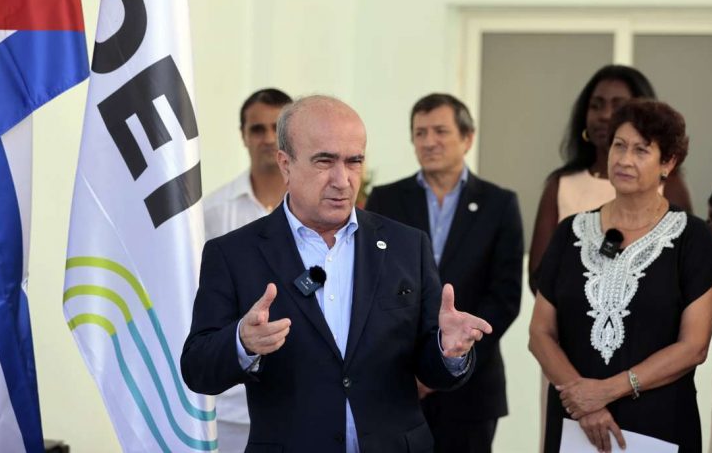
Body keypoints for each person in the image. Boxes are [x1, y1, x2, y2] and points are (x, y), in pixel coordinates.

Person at [181, 95, 493, 452]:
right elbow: (197, 367)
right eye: (324, 161)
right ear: (285, 164)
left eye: (354, 161)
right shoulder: (234, 253)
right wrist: (242, 342)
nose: (342, 180)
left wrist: (448, 350)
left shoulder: (407, 247)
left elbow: (431, 367)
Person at [528, 99, 712, 453]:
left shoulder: (693, 237)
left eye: (642, 150)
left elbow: (694, 346)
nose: (625, 159)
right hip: (576, 426)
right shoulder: (572, 232)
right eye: (619, 145)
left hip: (659, 427)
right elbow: (539, 333)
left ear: (668, 163)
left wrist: (606, 391)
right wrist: (585, 402)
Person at [365, 93, 523, 453]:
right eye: (420, 133)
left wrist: (452, 355)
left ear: (467, 138)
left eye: (440, 131)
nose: (429, 141)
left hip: (472, 385)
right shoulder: (386, 200)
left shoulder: (499, 204)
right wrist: (416, 367)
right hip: (398, 379)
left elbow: (505, 296)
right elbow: (372, 286)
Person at [528, 65, 693, 294]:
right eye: (596, 106)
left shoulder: (670, 185)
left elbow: (687, 271)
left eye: (618, 106)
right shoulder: (561, 184)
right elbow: (539, 274)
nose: (605, 115)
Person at [200, 87, 292, 452]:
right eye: (257, 129)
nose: (268, 139)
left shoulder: (321, 214)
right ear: (243, 135)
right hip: (231, 404)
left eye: (276, 128)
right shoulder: (213, 212)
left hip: (305, 398)